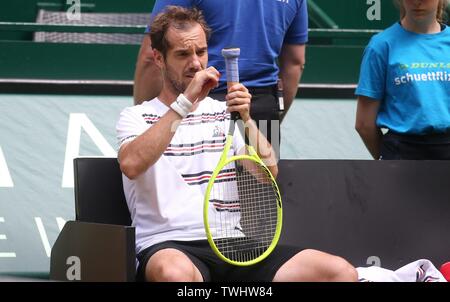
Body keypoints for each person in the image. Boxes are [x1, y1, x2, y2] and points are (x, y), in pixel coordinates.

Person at [117, 6, 357, 282]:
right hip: (170, 245)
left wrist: (246, 119)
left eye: (201, 52)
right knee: (173, 275)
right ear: (158, 58)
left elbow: (267, 173)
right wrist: (184, 104)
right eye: (183, 54)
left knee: (339, 272)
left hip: (233, 245)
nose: (195, 63)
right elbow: (132, 164)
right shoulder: (136, 117)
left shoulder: (222, 113)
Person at [133, 0, 308, 146]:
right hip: (264, 106)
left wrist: (143, 124)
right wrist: (272, 115)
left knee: (190, 185)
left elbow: (150, 56)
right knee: (262, 181)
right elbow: (295, 62)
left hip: (201, 101)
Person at [355, 0, 450, 160]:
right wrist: (389, 159)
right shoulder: (380, 46)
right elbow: (364, 124)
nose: (417, 2)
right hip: (401, 153)